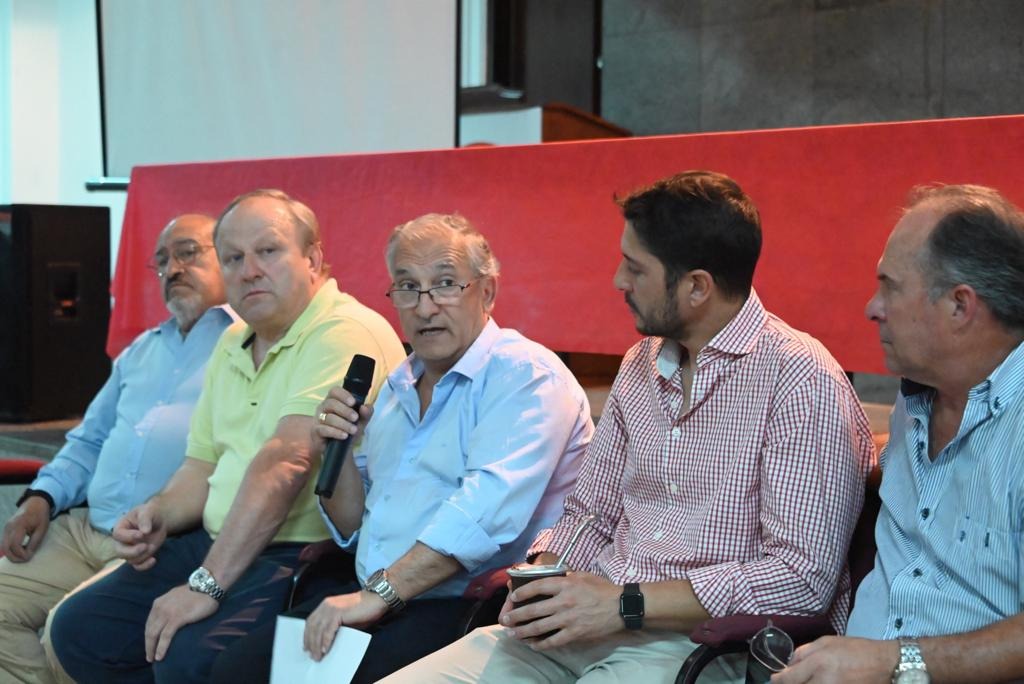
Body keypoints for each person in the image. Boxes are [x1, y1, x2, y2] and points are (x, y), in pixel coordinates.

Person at [383, 171, 875, 683]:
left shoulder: (800, 379)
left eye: (635, 268)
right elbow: (589, 515)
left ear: (697, 287)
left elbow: (799, 581)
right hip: (590, 623)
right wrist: (543, 581)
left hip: (704, 646)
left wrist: (626, 604)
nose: (619, 280)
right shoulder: (641, 363)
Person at [209, 212, 594, 683]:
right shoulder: (397, 386)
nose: (425, 307)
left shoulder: (525, 375)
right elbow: (356, 524)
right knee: (232, 671)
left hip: (471, 606)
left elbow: (482, 515)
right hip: (378, 594)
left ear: (487, 292)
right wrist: (338, 449)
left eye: (446, 284)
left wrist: (379, 595)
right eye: (408, 287)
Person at [48, 189, 407, 684]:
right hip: (217, 538)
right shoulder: (233, 340)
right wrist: (158, 512)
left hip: (300, 554)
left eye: (268, 251)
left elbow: (286, 463)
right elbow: (202, 464)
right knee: (79, 632)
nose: (249, 271)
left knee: (187, 659)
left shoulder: (343, 330)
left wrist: (207, 584)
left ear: (313, 259)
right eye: (234, 258)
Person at [773, 184, 1024, 684]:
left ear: (960, 306)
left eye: (890, 287)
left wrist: (894, 663)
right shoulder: (916, 400)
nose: (872, 308)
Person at [0, 213, 233, 684]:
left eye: (188, 252)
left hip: (155, 544)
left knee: (69, 635)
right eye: (162, 260)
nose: (173, 269)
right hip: (83, 527)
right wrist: (42, 497)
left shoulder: (246, 347)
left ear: (229, 259)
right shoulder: (142, 350)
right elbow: (88, 440)